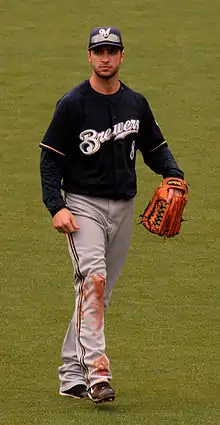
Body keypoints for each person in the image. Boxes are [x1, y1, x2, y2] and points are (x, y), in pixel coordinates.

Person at [40, 26, 184, 404]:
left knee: (97, 296)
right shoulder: (73, 103)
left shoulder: (135, 103)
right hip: (83, 206)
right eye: (99, 51)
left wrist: (174, 173)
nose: (105, 57)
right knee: (94, 281)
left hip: (123, 208)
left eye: (112, 51)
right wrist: (56, 206)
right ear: (89, 56)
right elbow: (49, 160)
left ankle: (70, 373)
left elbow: (155, 147)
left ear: (122, 56)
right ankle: (97, 375)